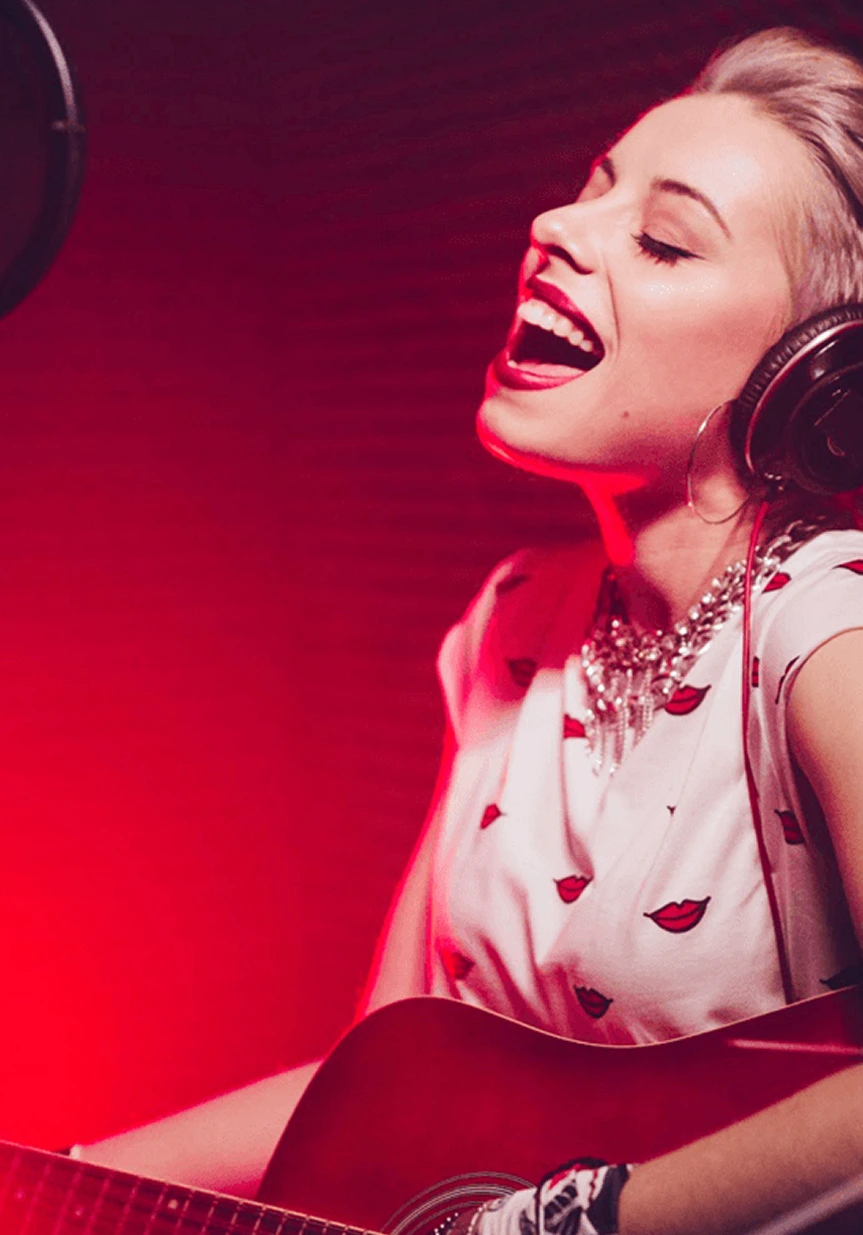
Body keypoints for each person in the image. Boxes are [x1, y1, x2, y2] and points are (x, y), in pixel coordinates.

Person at [74, 25, 863, 1235]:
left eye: (659, 239)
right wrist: (55, 1176)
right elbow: (383, 1080)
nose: (555, 226)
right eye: (590, 189)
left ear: (814, 373)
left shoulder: (829, 624)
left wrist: (562, 1224)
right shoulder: (512, 621)